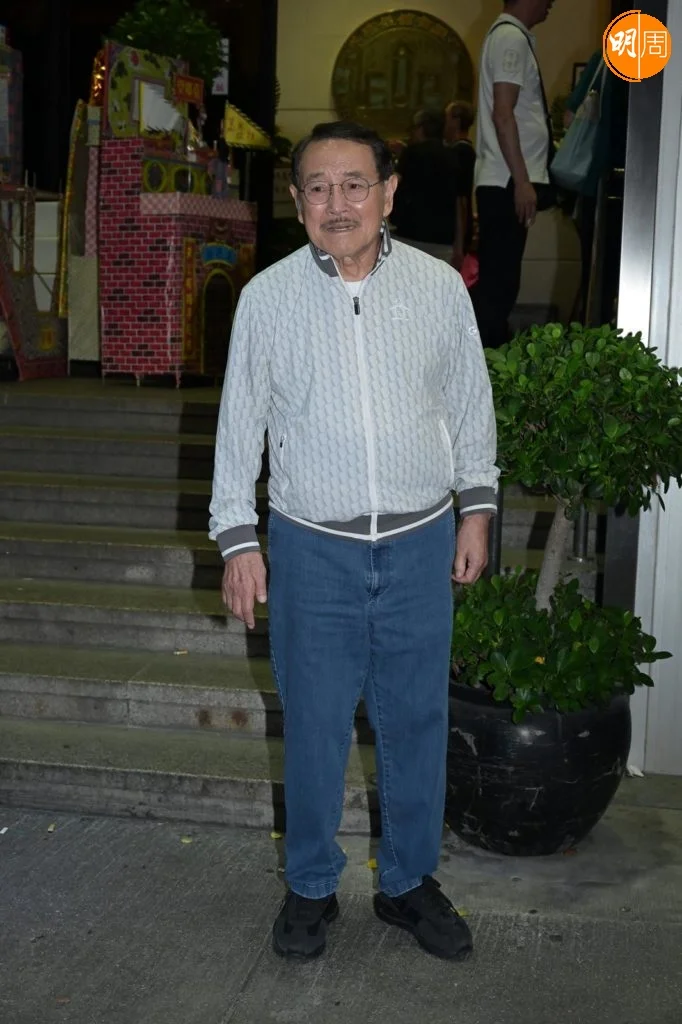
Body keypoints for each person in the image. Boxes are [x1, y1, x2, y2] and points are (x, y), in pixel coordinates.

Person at [209, 120, 498, 963]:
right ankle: (309, 886)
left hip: (419, 541)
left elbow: (469, 400)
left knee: (417, 722)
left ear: (389, 193)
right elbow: (240, 425)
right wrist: (237, 538)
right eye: (319, 187)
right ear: (297, 199)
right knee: (314, 727)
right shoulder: (267, 299)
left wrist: (477, 508)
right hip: (311, 550)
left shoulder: (438, 288)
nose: (338, 204)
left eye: (355, 185)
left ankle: (408, 882)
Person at [470, 0, 557, 348]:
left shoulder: (507, 35)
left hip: (502, 180)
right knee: (499, 286)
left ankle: (481, 361)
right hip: (506, 181)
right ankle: (483, 364)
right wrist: (522, 181)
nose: (552, 4)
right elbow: (503, 113)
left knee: (500, 282)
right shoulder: (510, 38)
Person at [391, 108, 463, 265]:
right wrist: (459, 244)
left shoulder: (412, 153)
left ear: (421, 128)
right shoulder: (452, 156)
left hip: (411, 233)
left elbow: (394, 184)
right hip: (443, 238)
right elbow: (458, 202)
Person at [444, 100, 477, 261]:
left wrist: (460, 242)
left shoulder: (460, 153)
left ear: (456, 121)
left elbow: (460, 198)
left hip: (456, 230)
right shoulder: (463, 150)